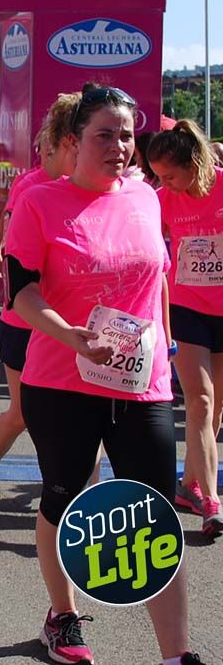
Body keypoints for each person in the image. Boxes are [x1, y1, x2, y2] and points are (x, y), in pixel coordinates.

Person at [4, 84, 199, 665]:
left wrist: (164, 347)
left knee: (154, 513)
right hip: (62, 380)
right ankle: (62, 617)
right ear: (72, 141)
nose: (119, 146)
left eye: (124, 135)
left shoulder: (146, 198)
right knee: (64, 501)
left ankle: (175, 655)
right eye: (103, 135)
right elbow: (21, 291)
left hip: (142, 383)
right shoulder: (39, 201)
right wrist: (69, 334)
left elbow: (157, 277)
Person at [0, 106, 78, 517]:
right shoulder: (32, 187)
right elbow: (11, 227)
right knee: (24, 413)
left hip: (77, 324)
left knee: (86, 420)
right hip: (27, 322)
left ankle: (78, 508)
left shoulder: (104, 190)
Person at [148, 120, 223, 538]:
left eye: (170, 176)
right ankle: (212, 501)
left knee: (216, 408)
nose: (165, 184)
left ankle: (190, 485)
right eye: (158, 177)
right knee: (201, 400)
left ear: (195, 163)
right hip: (187, 309)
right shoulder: (160, 200)